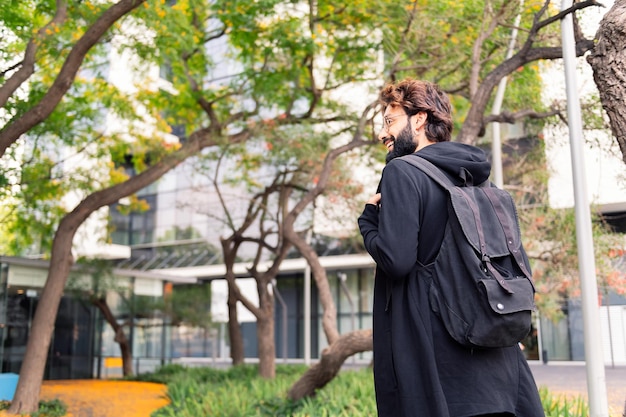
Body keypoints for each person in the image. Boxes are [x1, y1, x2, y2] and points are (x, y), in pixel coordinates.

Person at [358, 79, 545, 417]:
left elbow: (396, 261)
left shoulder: (402, 171)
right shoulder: (475, 177)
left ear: (418, 120)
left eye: (390, 121)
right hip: (495, 359)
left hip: (436, 359)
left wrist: (369, 221)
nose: (382, 134)